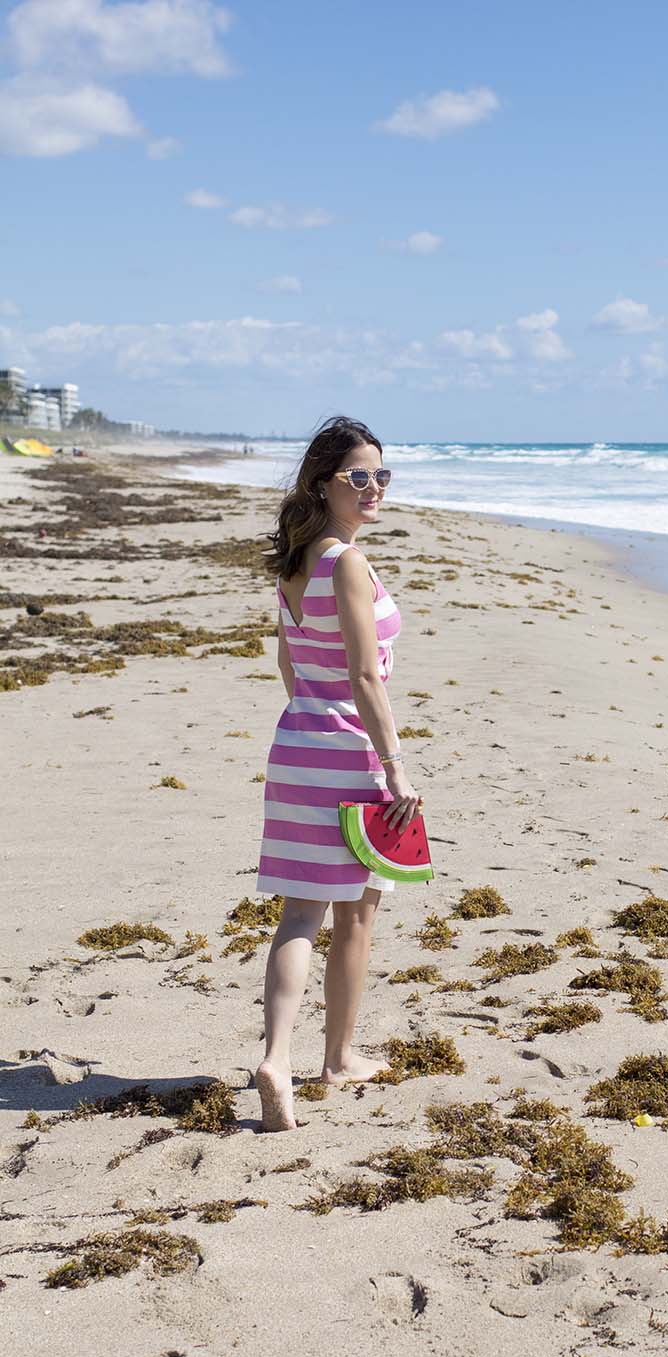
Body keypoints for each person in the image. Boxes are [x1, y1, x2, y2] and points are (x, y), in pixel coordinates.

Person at [251, 415, 421, 1131]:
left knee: (298, 915)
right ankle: (339, 1058)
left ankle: (275, 1056)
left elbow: (291, 666)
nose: (374, 487)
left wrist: (314, 725)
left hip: (297, 747)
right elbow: (363, 676)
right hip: (350, 755)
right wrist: (393, 766)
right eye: (359, 476)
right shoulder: (345, 563)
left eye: (382, 474)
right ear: (324, 483)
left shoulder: (295, 561)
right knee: (356, 915)